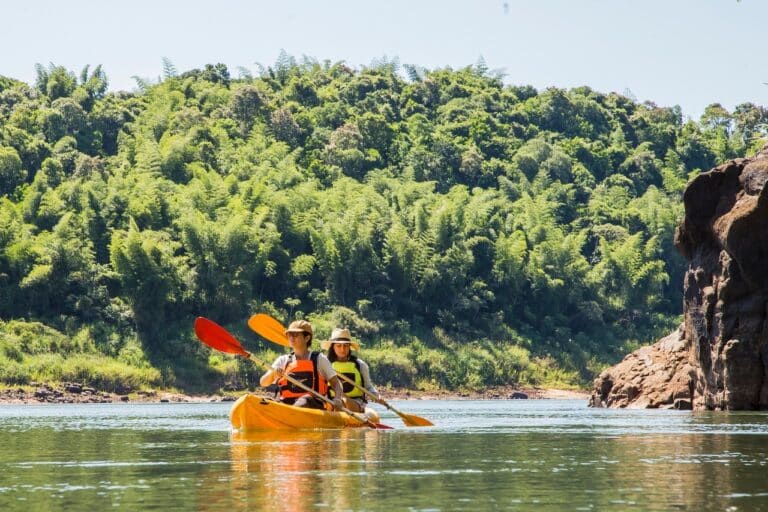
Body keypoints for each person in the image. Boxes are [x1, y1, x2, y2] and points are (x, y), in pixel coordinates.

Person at [259, 319, 346, 410]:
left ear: (307, 338)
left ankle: (290, 413)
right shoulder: (283, 360)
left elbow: (336, 384)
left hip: (313, 405)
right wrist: (273, 373)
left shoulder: (319, 359)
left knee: (304, 400)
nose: (292, 338)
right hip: (287, 404)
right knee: (262, 402)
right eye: (290, 335)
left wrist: (337, 399)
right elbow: (263, 382)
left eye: (296, 335)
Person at [321, 327, 383, 413]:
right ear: (333, 347)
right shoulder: (326, 365)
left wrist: (376, 395)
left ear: (349, 347)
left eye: (345, 346)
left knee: (344, 400)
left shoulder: (360, 365)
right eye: (339, 346)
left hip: (356, 403)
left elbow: (368, 387)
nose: (342, 349)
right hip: (332, 402)